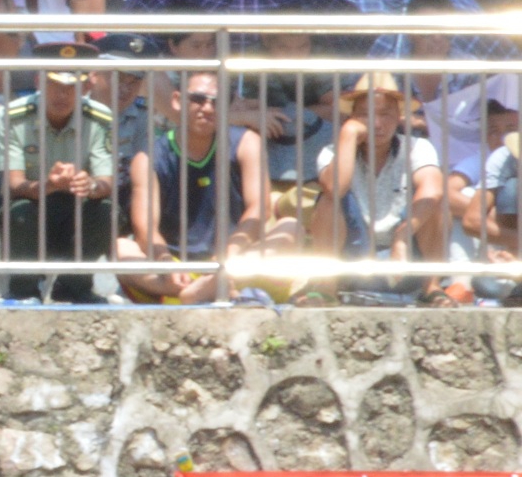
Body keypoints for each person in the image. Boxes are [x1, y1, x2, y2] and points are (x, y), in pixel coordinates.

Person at [124, 66, 284, 301]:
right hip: (177, 262)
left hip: (233, 257)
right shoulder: (148, 157)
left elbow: (259, 209)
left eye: (216, 102)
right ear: (177, 101)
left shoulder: (247, 142)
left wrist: (228, 256)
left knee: (291, 228)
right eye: (198, 99)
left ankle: (210, 286)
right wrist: (166, 263)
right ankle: (197, 290)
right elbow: (145, 228)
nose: (207, 108)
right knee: (121, 249)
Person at [0, 42, 122, 300]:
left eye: (71, 87)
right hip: (34, 203)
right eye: (54, 84)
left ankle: (74, 287)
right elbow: (13, 184)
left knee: (107, 212)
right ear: (38, 81)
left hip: (77, 206)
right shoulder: (15, 116)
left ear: (86, 87)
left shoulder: (101, 118)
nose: (62, 94)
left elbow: (107, 182)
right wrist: (49, 185)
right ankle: (23, 290)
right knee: (17, 212)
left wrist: (88, 185)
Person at [312, 71, 446, 279]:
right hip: (353, 254)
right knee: (328, 201)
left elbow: (433, 190)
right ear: (352, 117)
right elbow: (333, 188)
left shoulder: (418, 147)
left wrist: (401, 236)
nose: (376, 123)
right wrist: (348, 134)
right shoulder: (331, 152)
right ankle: (325, 286)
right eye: (366, 114)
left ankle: (432, 286)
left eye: (385, 114)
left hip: (405, 250)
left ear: (399, 117)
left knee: (434, 203)